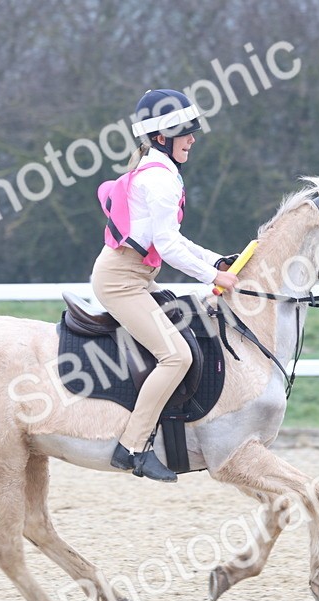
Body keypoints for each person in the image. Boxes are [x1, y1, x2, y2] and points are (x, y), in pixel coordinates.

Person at [92, 89, 240, 482]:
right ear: (161, 138)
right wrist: (214, 276)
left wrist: (215, 260)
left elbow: (170, 238)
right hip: (122, 282)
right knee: (176, 356)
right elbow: (169, 245)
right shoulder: (160, 180)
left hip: (135, 277)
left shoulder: (161, 172)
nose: (193, 138)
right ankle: (133, 447)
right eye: (185, 133)